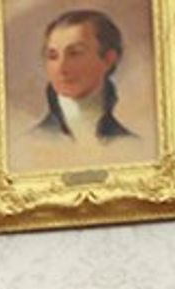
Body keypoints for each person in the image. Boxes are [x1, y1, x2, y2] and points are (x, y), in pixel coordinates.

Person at [15, 9, 150, 172]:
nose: (61, 68)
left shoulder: (134, 147)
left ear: (108, 59)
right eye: (53, 56)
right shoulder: (26, 145)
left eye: (75, 53)